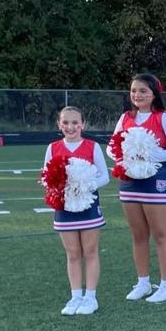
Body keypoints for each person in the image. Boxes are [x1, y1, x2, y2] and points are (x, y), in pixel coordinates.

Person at [113, 74, 166, 303]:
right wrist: (122, 156)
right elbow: (111, 146)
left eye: (143, 90)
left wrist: (153, 155)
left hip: (157, 180)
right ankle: (143, 283)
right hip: (129, 179)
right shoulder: (125, 117)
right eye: (134, 90)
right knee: (138, 235)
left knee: (160, 234)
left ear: (154, 93)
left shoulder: (164, 118)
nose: (137, 95)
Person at [45, 106, 109, 315]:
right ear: (59, 125)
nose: (70, 127)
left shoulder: (92, 146)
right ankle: (75, 297)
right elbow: (47, 179)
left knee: (90, 252)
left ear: (83, 124)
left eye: (75, 122)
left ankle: (91, 297)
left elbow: (104, 177)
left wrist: (82, 186)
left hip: (88, 205)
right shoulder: (53, 148)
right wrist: (62, 189)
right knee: (72, 253)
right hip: (64, 207)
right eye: (66, 123)